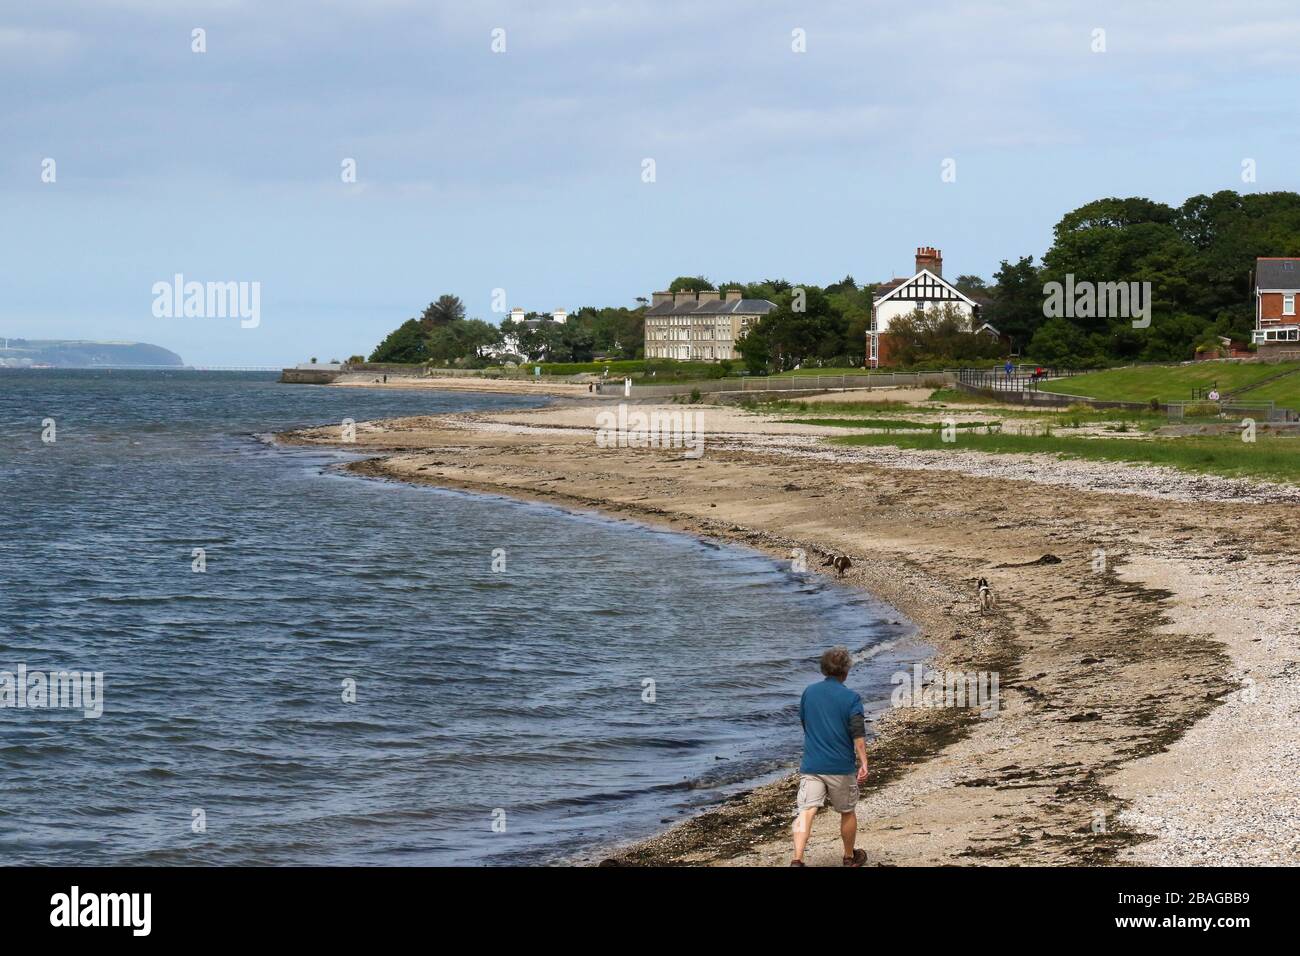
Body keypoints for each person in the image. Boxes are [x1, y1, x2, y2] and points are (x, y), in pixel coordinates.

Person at [791, 646, 869, 867]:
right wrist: (864, 762)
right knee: (847, 811)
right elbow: (858, 736)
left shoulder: (809, 692)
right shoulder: (851, 698)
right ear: (846, 671)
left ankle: (797, 859)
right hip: (840, 766)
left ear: (824, 669)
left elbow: (805, 723)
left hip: (812, 764)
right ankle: (848, 856)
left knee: (806, 811)